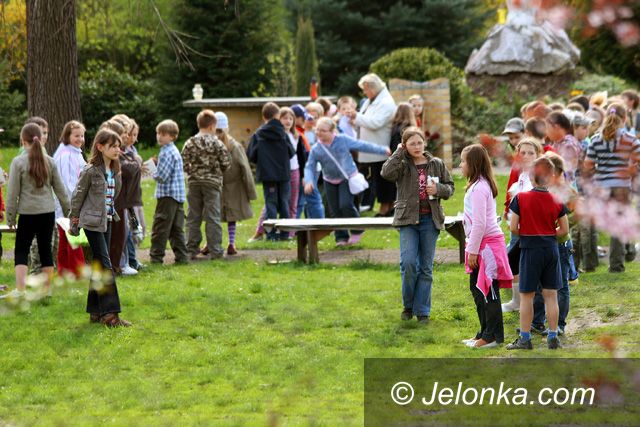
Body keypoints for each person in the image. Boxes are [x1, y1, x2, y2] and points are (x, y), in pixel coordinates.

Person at [381, 127, 454, 324]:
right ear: (405, 145)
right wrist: (398, 152)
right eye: (412, 143)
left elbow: (450, 187)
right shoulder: (402, 164)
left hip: (430, 220)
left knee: (426, 268)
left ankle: (422, 312)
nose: (416, 146)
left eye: (419, 143)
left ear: (425, 143)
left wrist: (438, 189)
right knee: (408, 263)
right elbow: (386, 173)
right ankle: (408, 306)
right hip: (407, 220)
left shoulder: (436, 163)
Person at [69, 129, 131, 327]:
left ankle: (95, 311)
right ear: (100, 147)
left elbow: (114, 195)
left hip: (107, 221)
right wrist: (74, 220)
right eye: (113, 146)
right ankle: (111, 315)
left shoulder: (115, 170)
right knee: (105, 265)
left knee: (98, 264)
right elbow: (78, 195)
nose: (117, 149)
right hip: (92, 223)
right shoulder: (90, 171)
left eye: (118, 146)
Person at [507, 157, 569, 350]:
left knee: (527, 295)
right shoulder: (557, 199)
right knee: (551, 295)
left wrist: (528, 233)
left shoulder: (521, 198)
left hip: (530, 250)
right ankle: (553, 336)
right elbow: (564, 230)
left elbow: (513, 227)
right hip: (550, 249)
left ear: (531, 176)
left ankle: (525, 338)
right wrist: (548, 234)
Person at [3, 123, 69, 299]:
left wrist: (10, 217)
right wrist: (69, 213)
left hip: (27, 213)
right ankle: (47, 291)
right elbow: (61, 191)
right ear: (40, 139)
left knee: (21, 249)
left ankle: (20, 290)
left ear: (22, 140)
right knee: (46, 250)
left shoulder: (18, 162)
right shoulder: (50, 161)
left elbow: (12, 193)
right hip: (47, 212)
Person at [304, 117, 391, 246]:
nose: (319, 133)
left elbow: (362, 145)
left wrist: (382, 150)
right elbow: (309, 167)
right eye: (317, 130)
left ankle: (357, 230)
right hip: (329, 180)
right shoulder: (316, 149)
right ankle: (341, 237)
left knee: (345, 204)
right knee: (335, 210)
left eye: (323, 130)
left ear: (332, 131)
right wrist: (309, 181)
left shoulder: (342, 140)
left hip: (347, 178)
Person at [460, 144, 512, 348]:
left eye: (463, 161)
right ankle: (483, 332)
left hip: (487, 246)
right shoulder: (476, 185)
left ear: (473, 164)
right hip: (479, 245)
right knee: (476, 289)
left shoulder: (480, 188)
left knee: (489, 291)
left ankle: (493, 337)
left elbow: (480, 223)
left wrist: (472, 251)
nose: (460, 165)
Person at [583, 103, 640, 273]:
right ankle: (616, 265)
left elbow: (588, 165)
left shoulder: (595, 139)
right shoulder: (631, 139)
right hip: (622, 187)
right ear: (624, 118)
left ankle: (590, 263)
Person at [531, 152, 575, 336]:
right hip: (543, 244)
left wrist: (554, 229)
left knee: (561, 285)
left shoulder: (564, 193)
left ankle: (559, 324)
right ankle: (537, 322)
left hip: (560, 244)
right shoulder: (539, 192)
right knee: (539, 285)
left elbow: (574, 216)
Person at [182, 110, 230, 260]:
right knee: (212, 216)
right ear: (212, 126)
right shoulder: (217, 143)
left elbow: (183, 162)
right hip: (212, 183)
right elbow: (226, 163)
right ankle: (215, 250)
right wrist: (216, 172)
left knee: (193, 216)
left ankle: (191, 249)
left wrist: (192, 172)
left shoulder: (190, 142)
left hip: (194, 183)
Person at [502, 137, 542, 312]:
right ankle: (517, 300)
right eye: (522, 153)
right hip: (517, 227)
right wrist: (508, 212)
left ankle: (534, 305)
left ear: (538, 155)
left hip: (532, 230)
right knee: (514, 263)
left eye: (530, 153)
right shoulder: (521, 174)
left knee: (530, 265)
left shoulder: (539, 176)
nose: (526, 156)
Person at [348, 73, 396, 216]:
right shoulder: (372, 100)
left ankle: (386, 208)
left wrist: (356, 116)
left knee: (383, 180)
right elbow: (365, 119)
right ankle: (386, 207)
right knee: (378, 179)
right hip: (373, 148)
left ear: (372, 87)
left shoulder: (386, 102)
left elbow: (376, 123)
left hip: (380, 147)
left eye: (365, 89)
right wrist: (355, 120)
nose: (364, 92)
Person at [247, 102, 295, 241]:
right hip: (284, 174)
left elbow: (251, 154)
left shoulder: (258, 134)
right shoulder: (283, 133)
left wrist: (263, 161)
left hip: (268, 175)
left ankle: (271, 234)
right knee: (284, 203)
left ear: (264, 117)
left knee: (271, 204)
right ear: (278, 116)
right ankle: (285, 234)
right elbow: (291, 152)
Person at [215, 112, 257, 255]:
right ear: (226, 127)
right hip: (234, 186)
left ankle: (211, 243)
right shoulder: (235, 146)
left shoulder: (210, 144)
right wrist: (250, 191)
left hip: (216, 185)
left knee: (214, 216)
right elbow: (246, 169)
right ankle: (231, 243)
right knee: (231, 217)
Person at [150, 119, 189, 265]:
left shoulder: (166, 152)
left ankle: (156, 257)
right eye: (158, 133)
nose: (159, 137)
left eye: (163, 134)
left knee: (160, 227)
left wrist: (151, 169)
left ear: (172, 136)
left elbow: (162, 177)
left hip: (167, 196)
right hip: (177, 196)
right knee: (176, 229)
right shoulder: (174, 150)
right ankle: (182, 257)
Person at [108, 114, 142, 275]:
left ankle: (125, 262)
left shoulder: (124, 152)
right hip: (117, 199)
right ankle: (119, 264)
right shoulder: (117, 153)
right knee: (119, 234)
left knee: (124, 232)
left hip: (123, 199)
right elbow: (127, 169)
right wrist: (137, 163)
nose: (127, 137)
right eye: (124, 134)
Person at [53, 120, 87, 277]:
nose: (80, 139)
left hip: (73, 203)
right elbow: (66, 183)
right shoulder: (65, 155)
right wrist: (78, 202)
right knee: (72, 237)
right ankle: (76, 271)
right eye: (76, 136)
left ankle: (66, 271)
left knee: (67, 238)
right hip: (68, 204)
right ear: (67, 136)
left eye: (82, 136)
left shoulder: (75, 152)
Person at [291, 104, 324, 220]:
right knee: (306, 199)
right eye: (303, 118)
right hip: (305, 170)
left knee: (307, 199)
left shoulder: (301, 132)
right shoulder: (297, 133)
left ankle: (317, 223)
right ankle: (317, 223)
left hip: (309, 169)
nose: (305, 120)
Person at [546, 111, 581, 186]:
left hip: (566, 186)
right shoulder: (557, 142)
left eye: (548, 128)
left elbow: (566, 170)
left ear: (556, 127)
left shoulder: (568, 145)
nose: (546, 132)